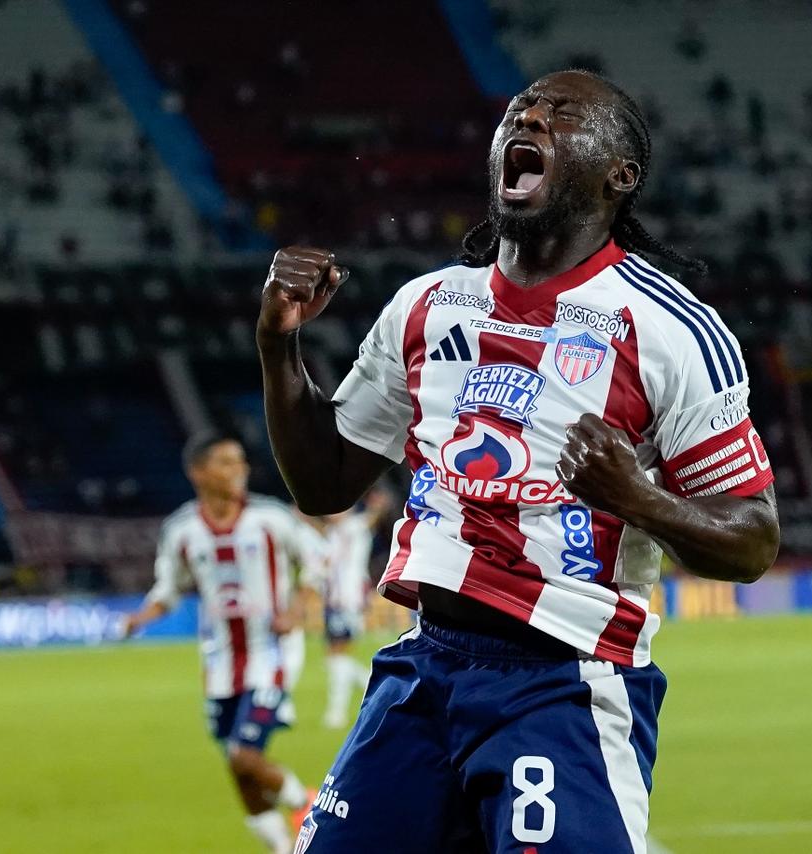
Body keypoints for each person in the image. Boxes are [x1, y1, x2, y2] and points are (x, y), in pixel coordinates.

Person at [257, 70, 780, 853]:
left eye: (561, 114)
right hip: (423, 669)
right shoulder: (428, 304)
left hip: (561, 683)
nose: (530, 115)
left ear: (620, 175)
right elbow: (323, 482)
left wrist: (634, 495)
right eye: (519, 110)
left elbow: (753, 540)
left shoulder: (669, 329)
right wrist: (279, 348)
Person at [122, 430, 322, 854]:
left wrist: (297, 610)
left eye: (241, 462)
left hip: (272, 653)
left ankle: (310, 804)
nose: (239, 470)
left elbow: (315, 565)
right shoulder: (181, 530)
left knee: (244, 756)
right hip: (220, 662)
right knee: (238, 768)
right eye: (227, 462)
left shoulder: (271, 518)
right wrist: (141, 617)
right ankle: (282, 847)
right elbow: (168, 589)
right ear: (199, 473)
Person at [310, 488, 391, 729]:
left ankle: (337, 712)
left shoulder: (355, 527)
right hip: (334, 599)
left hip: (348, 599)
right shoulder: (332, 534)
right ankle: (377, 687)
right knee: (335, 656)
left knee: (338, 653)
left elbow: (373, 518)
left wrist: (378, 506)